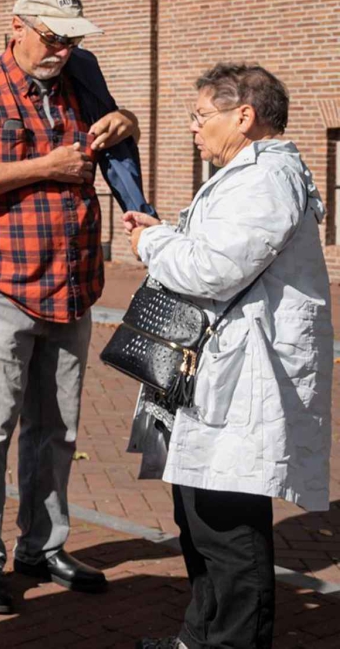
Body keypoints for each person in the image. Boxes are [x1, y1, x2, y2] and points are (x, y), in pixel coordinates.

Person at [0, 0, 141, 615]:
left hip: (73, 285)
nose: (63, 49)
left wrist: (126, 120)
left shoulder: (80, 82)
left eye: (72, 39)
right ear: (17, 28)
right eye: (53, 37)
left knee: (56, 431)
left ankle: (43, 547)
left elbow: (116, 141)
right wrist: (43, 167)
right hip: (1, 286)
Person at [124, 65, 332, 649]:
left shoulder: (265, 179)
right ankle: (198, 639)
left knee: (229, 536)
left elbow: (211, 270)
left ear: (243, 116)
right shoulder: (246, 175)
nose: (194, 129)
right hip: (213, 375)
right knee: (198, 521)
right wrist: (165, 232)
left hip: (242, 381)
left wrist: (150, 243)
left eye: (200, 116)